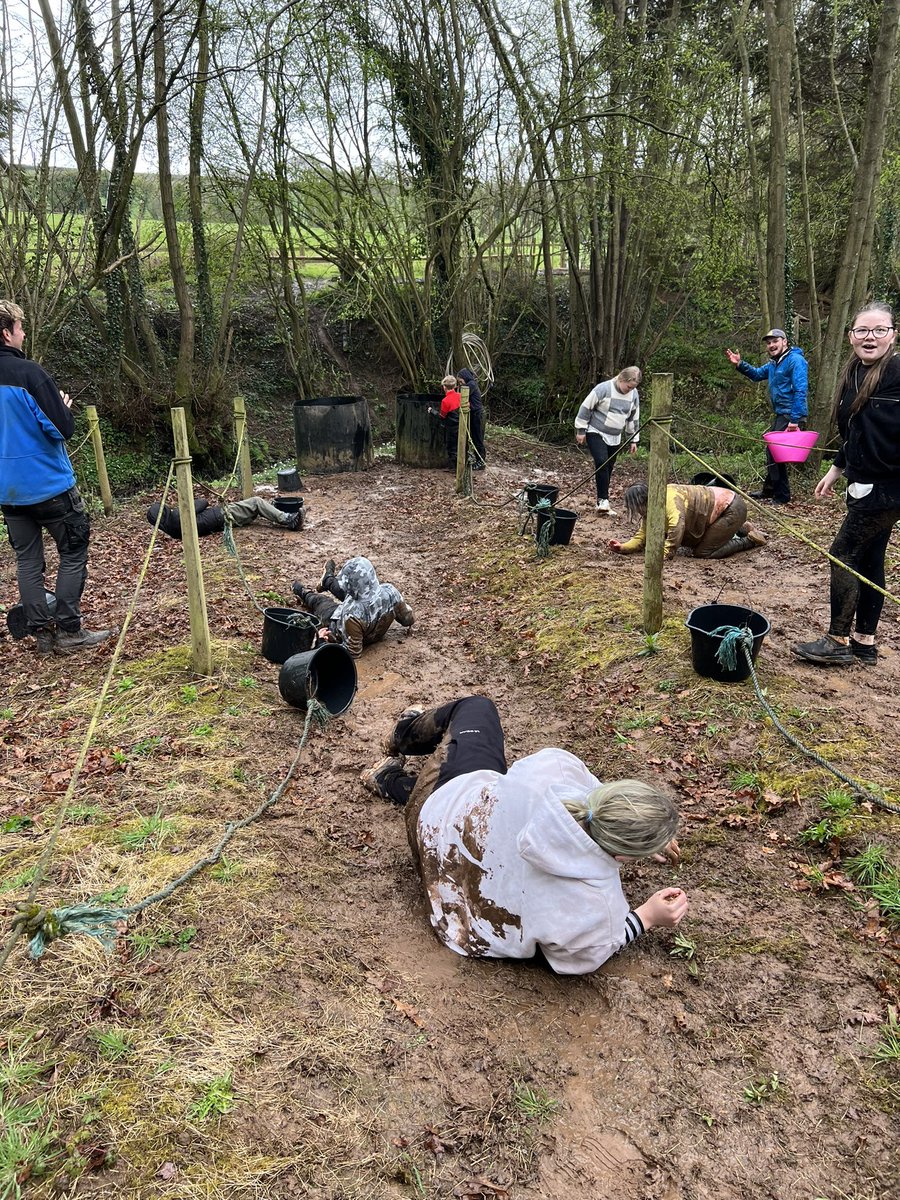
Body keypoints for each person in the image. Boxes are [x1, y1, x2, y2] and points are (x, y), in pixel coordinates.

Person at [360, 696, 688, 974]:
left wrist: (638, 828)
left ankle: (402, 739)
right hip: (452, 909)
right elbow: (590, 951)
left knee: (477, 708)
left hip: (435, 817)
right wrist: (647, 916)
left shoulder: (558, 769)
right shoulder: (598, 905)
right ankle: (389, 781)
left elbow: (595, 799)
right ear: (622, 855)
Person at [0, 300, 111, 656]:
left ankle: (42, 635)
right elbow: (62, 428)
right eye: (20, 327)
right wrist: (61, 406)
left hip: (8, 490)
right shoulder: (31, 375)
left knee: (28, 560)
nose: (24, 332)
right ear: (6, 333)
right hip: (49, 486)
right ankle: (69, 630)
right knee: (73, 551)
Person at [794, 303, 900, 668]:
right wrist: (836, 468)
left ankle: (837, 639)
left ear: (893, 334)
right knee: (869, 558)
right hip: (862, 482)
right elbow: (856, 429)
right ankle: (864, 643)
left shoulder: (899, 371)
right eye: (862, 331)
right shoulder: (854, 371)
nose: (870, 337)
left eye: (879, 330)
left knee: (842, 554)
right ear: (851, 336)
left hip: (889, 488)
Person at [725, 328, 808, 505]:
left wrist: (794, 420)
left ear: (784, 342)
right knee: (772, 452)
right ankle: (770, 490)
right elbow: (756, 375)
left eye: (775, 341)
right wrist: (740, 364)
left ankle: (782, 496)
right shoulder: (774, 364)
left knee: (774, 453)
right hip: (781, 413)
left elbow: (801, 390)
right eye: (769, 343)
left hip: (790, 414)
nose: (771, 345)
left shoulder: (795, 360)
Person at [292, 556, 414, 658]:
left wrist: (322, 641)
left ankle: (303, 592)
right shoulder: (391, 592)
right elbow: (408, 619)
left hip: (338, 625)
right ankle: (327, 580)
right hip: (371, 627)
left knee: (321, 601)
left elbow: (352, 652)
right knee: (350, 593)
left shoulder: (351, 614)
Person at [608, 482, 766, 559]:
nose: (639, 512)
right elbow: (642, 536)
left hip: (730, 508)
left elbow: (677, 527)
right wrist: (622, 547)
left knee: (703, 552)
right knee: (696, 541)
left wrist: (665, 553)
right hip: (715, 513)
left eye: (638, 507)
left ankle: (750, 540)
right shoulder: (651, 508)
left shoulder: (670, 500)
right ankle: (739, 528)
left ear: (645, 501)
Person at [574, 366, 641, 515]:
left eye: (633, 388)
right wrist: (581, 430)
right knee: (601, 461)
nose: (629, 390)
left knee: (609, 466)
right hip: (596, 431)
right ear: (622, 379)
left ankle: (602, 500)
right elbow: (586, 407)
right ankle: (603, 500)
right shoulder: (603, 388)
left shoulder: (633, 394)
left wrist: (633, 439)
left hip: (615, 436)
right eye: (628, 386)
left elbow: (633, 417)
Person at [147, 495, 304, 539]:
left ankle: (279, 514)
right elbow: (203, 502)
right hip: (222, 516)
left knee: (255, 507)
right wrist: (185, 505)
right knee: (256, 502)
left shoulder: (173, 529)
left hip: (220, 521)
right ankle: (289, 520)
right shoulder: (178, 516)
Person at [429, 376, 462, 469]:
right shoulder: (461, 396)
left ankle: (454, 468)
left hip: (452, 427)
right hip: (463, 425)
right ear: (455, 386)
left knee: (452, 447)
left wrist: (432, 411)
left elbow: (442, 416)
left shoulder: (445, 400)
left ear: (444, 387)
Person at [457, 367, 486, 468]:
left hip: (477, 414)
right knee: (474, 438)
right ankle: (478, 459)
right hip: (474, 414)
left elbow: (461, 397)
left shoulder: (470, 385)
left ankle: (481, 461)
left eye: (460, 381)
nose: (460, 384)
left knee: (478, 438)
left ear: (464, 377)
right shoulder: (471, 384)